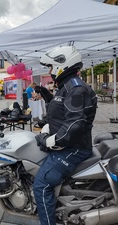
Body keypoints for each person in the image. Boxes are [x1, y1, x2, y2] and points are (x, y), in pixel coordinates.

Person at [33, 46, 97, 225]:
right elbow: (62, 116)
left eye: (52, 67)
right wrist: (47, 128)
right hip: (69, 145)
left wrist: (52, 141)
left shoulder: (75, 89)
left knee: (41, 185)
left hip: (73, 148)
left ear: (62, 64)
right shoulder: (67, 86)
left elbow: (74, 125)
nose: (50, 72)